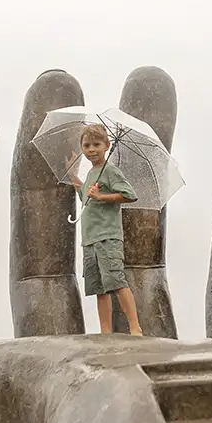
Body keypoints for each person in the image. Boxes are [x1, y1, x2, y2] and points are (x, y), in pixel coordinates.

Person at [69, 124, 143, 336]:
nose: (91, 149)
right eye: (87, 145)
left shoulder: (110, 171)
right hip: (90, 239)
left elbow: (129, 194)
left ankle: (135, 327)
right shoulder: (93, 173)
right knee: (99, 288)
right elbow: (85, 196)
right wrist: (75, 178)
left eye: (96, 144)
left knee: (116, 281)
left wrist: (101, 197)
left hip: (107, 237)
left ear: (106, 146)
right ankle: (105, 331)